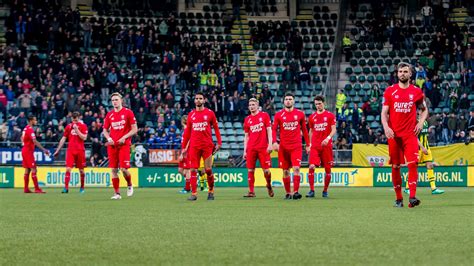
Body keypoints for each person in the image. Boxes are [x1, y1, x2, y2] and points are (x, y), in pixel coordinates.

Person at [381, 62, 428, 208]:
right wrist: (386, 127)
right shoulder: (390, 91)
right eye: (400, 71)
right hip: (394, 135)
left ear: (410, 74)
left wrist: (420, 123)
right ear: (397, 73)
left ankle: (412, 197)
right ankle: (398, 199)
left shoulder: (416, 91)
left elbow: (424, 110)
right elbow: (384, 113)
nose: (402, 73)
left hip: (410, 135)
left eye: (405, 71)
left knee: (413, 163)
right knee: (395, 166)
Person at [181, 92, 222, 201]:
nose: (198, 100)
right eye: (196, 98)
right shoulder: (191, 115)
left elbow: (216, 128)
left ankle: (211, 191)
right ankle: (194, 194)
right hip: (194, 146)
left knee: (208, 169)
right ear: (194, 101)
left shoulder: (210, 113)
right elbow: (187, 133)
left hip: (207, 145)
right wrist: (184, 147)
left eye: (200, 98)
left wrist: (219, 142)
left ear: (204, 100)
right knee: (193, 169)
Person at [272, 92, 310, 200]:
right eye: (286, 99)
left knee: (296, 168)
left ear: (293, 101)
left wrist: (308, 144)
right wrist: (274, 142)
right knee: (285, 171)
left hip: (296, 146)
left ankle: (296, 192)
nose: (288, 101)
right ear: (283, 102)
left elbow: (305, 130)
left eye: (290, 99)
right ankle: (288, 193)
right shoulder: (279, 115)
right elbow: (274, 129)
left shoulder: (300, 114)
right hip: (283, 148)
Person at [103, 93, 138, 200]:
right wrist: (109, 138)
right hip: (113, 145)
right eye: (113, 100)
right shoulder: (109, 115)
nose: (114, 102)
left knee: (123, 169)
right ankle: (117, 194)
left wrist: (125, 137)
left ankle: (129, 184)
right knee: (113, 170)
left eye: (116, 99)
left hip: (124, 144)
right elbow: (105, 130)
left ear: (121, 100)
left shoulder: (128, 112)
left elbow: (134, 129)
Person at [404, 114, 444, 195]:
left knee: (430, 165)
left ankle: (434, 189)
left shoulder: (425, 122)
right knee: (413, 168)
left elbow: (424, 134)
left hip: (426, 147)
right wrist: (422, 147)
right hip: (418, 148)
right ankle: (407, 187)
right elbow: (414, 137)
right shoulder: (414, 123)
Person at [242, 98, 274, 198]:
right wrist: (245, 151)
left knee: (267, 171)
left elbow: (269, 130)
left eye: (253, 104)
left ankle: (268, 185)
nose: (251, 106)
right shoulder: (247, 119)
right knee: (250, 170)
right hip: (251, 148)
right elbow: (246, 136)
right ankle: (251, 191)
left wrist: (270, 144)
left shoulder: (264, 115)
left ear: (257, 105)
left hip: (263, 147)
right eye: (250, 105)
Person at [306, 95, 336, 198]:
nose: (318, 106)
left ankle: (325, 191)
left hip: (326, 146)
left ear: (324, 103)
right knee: (311, 166)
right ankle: (311, 190)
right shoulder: (312, 117)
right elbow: (311, 131)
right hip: (315, 146)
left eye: (319, 103)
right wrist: (309, 144)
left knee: (327, 169)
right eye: (316, 104)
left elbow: (334, 130)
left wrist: (327, 139)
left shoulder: (330, 115)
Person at [53, 112, 88, 193]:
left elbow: (84, 138)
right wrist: (58, 150)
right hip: (71, 150)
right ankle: (66, 188)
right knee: (68, 169)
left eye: (76, 120)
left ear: (79, 118)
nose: (75, 122)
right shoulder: (68, 126)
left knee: (81, 170)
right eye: (73, 120)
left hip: (80, 151)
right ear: (71, 119)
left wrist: (77, 130)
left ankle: (82, 188)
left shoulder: (83, 126)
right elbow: (63, 138)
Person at [22, 115, 51, 193]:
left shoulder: (26, 128)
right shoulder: (30, 129)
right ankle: (37, 189)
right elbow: (34, 141)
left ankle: (26, 188)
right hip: (28, 151)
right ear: (31, 121)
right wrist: (44, 150)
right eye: (35, 120)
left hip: (25, 150)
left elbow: (24, 138)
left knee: (27, 169)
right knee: (33, 168)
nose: (36, 121)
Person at [178, 115, 192, 194]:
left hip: (187, 152)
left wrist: (184, 151)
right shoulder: (184, 129)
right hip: (183, 151)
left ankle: (187, 188)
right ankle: (191, 181)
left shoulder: (188, 129)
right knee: (180, 170)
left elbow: (189, 141)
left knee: (187, 170)